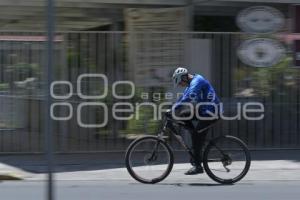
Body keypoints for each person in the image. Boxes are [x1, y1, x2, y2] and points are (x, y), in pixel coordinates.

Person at [170, 67, 221, 175]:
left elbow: (189, 96)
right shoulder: (190, 84)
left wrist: (175, 108)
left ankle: (198, 166)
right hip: (203, 110)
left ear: (184, 77)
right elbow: (183, 97)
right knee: (183, 116)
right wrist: (172, 108)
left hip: (212, 112)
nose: (180, 85)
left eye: (180, 83)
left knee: (197, 136)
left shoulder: (197, 81)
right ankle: (196, 142)